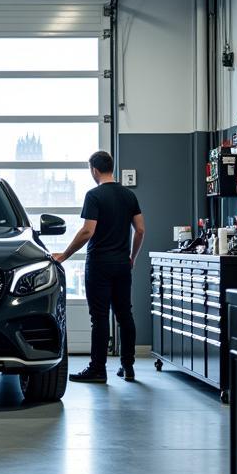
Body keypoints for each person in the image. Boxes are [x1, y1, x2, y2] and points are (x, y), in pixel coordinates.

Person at [53, 150, 145, 384]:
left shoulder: (94, 195)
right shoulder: (128, 195)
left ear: (94, 170)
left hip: (99, 265)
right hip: (122, 264)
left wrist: (64, 255)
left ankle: (98, 369)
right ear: (110, 167)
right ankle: (128, 366)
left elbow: (87, 231)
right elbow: (141, 229)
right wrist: (132, 257)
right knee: (125, 315)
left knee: (100, 318)